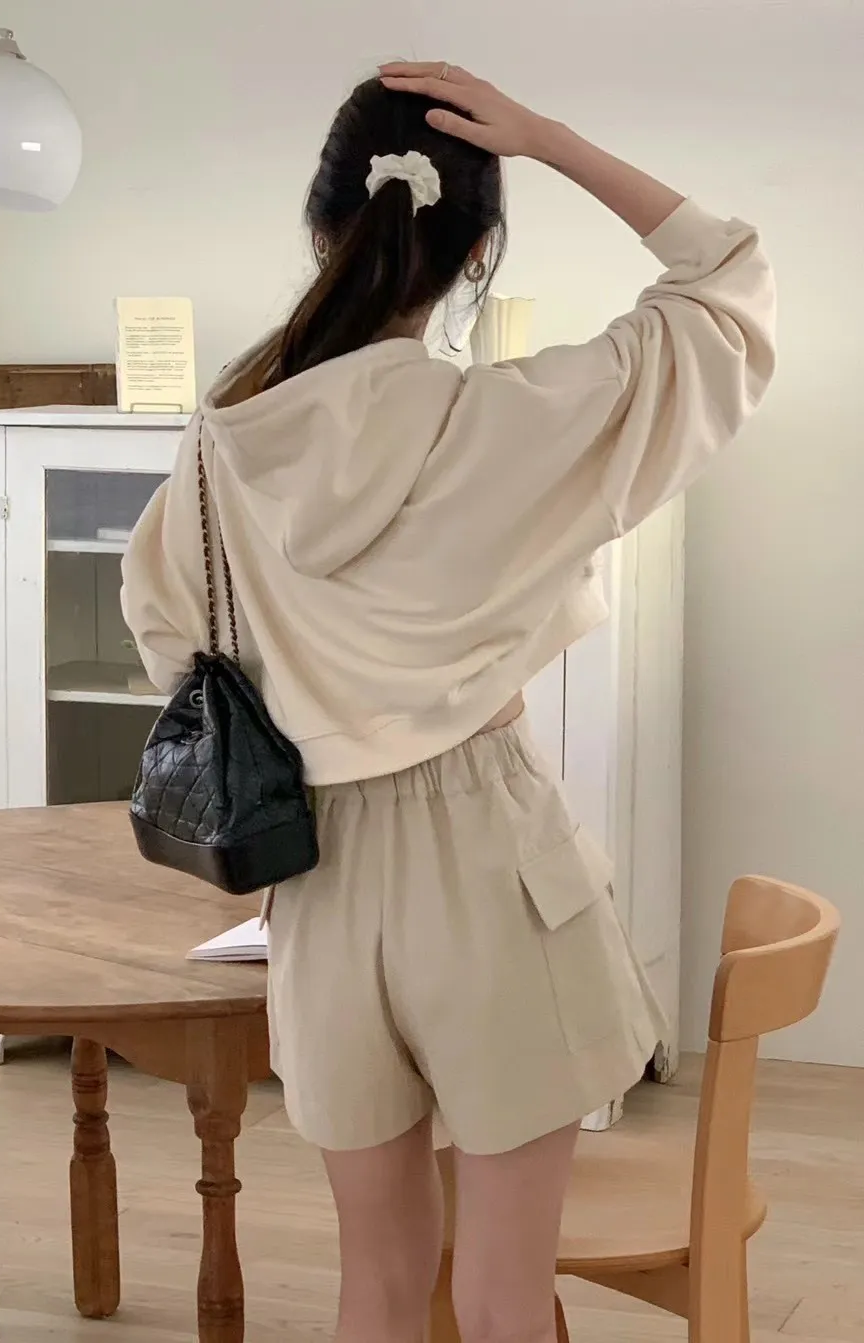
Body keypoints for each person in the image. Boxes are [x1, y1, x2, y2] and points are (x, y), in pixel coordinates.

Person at [121, 62, 775, 1343]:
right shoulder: (504, 422)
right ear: (478, 251)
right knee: (503, 1293)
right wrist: (548, 137)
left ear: (324, 228)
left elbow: (169, 642)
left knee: (375, 1281)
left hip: (317, 882)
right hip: (489, 864)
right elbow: (726, 278)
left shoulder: (220, 444)